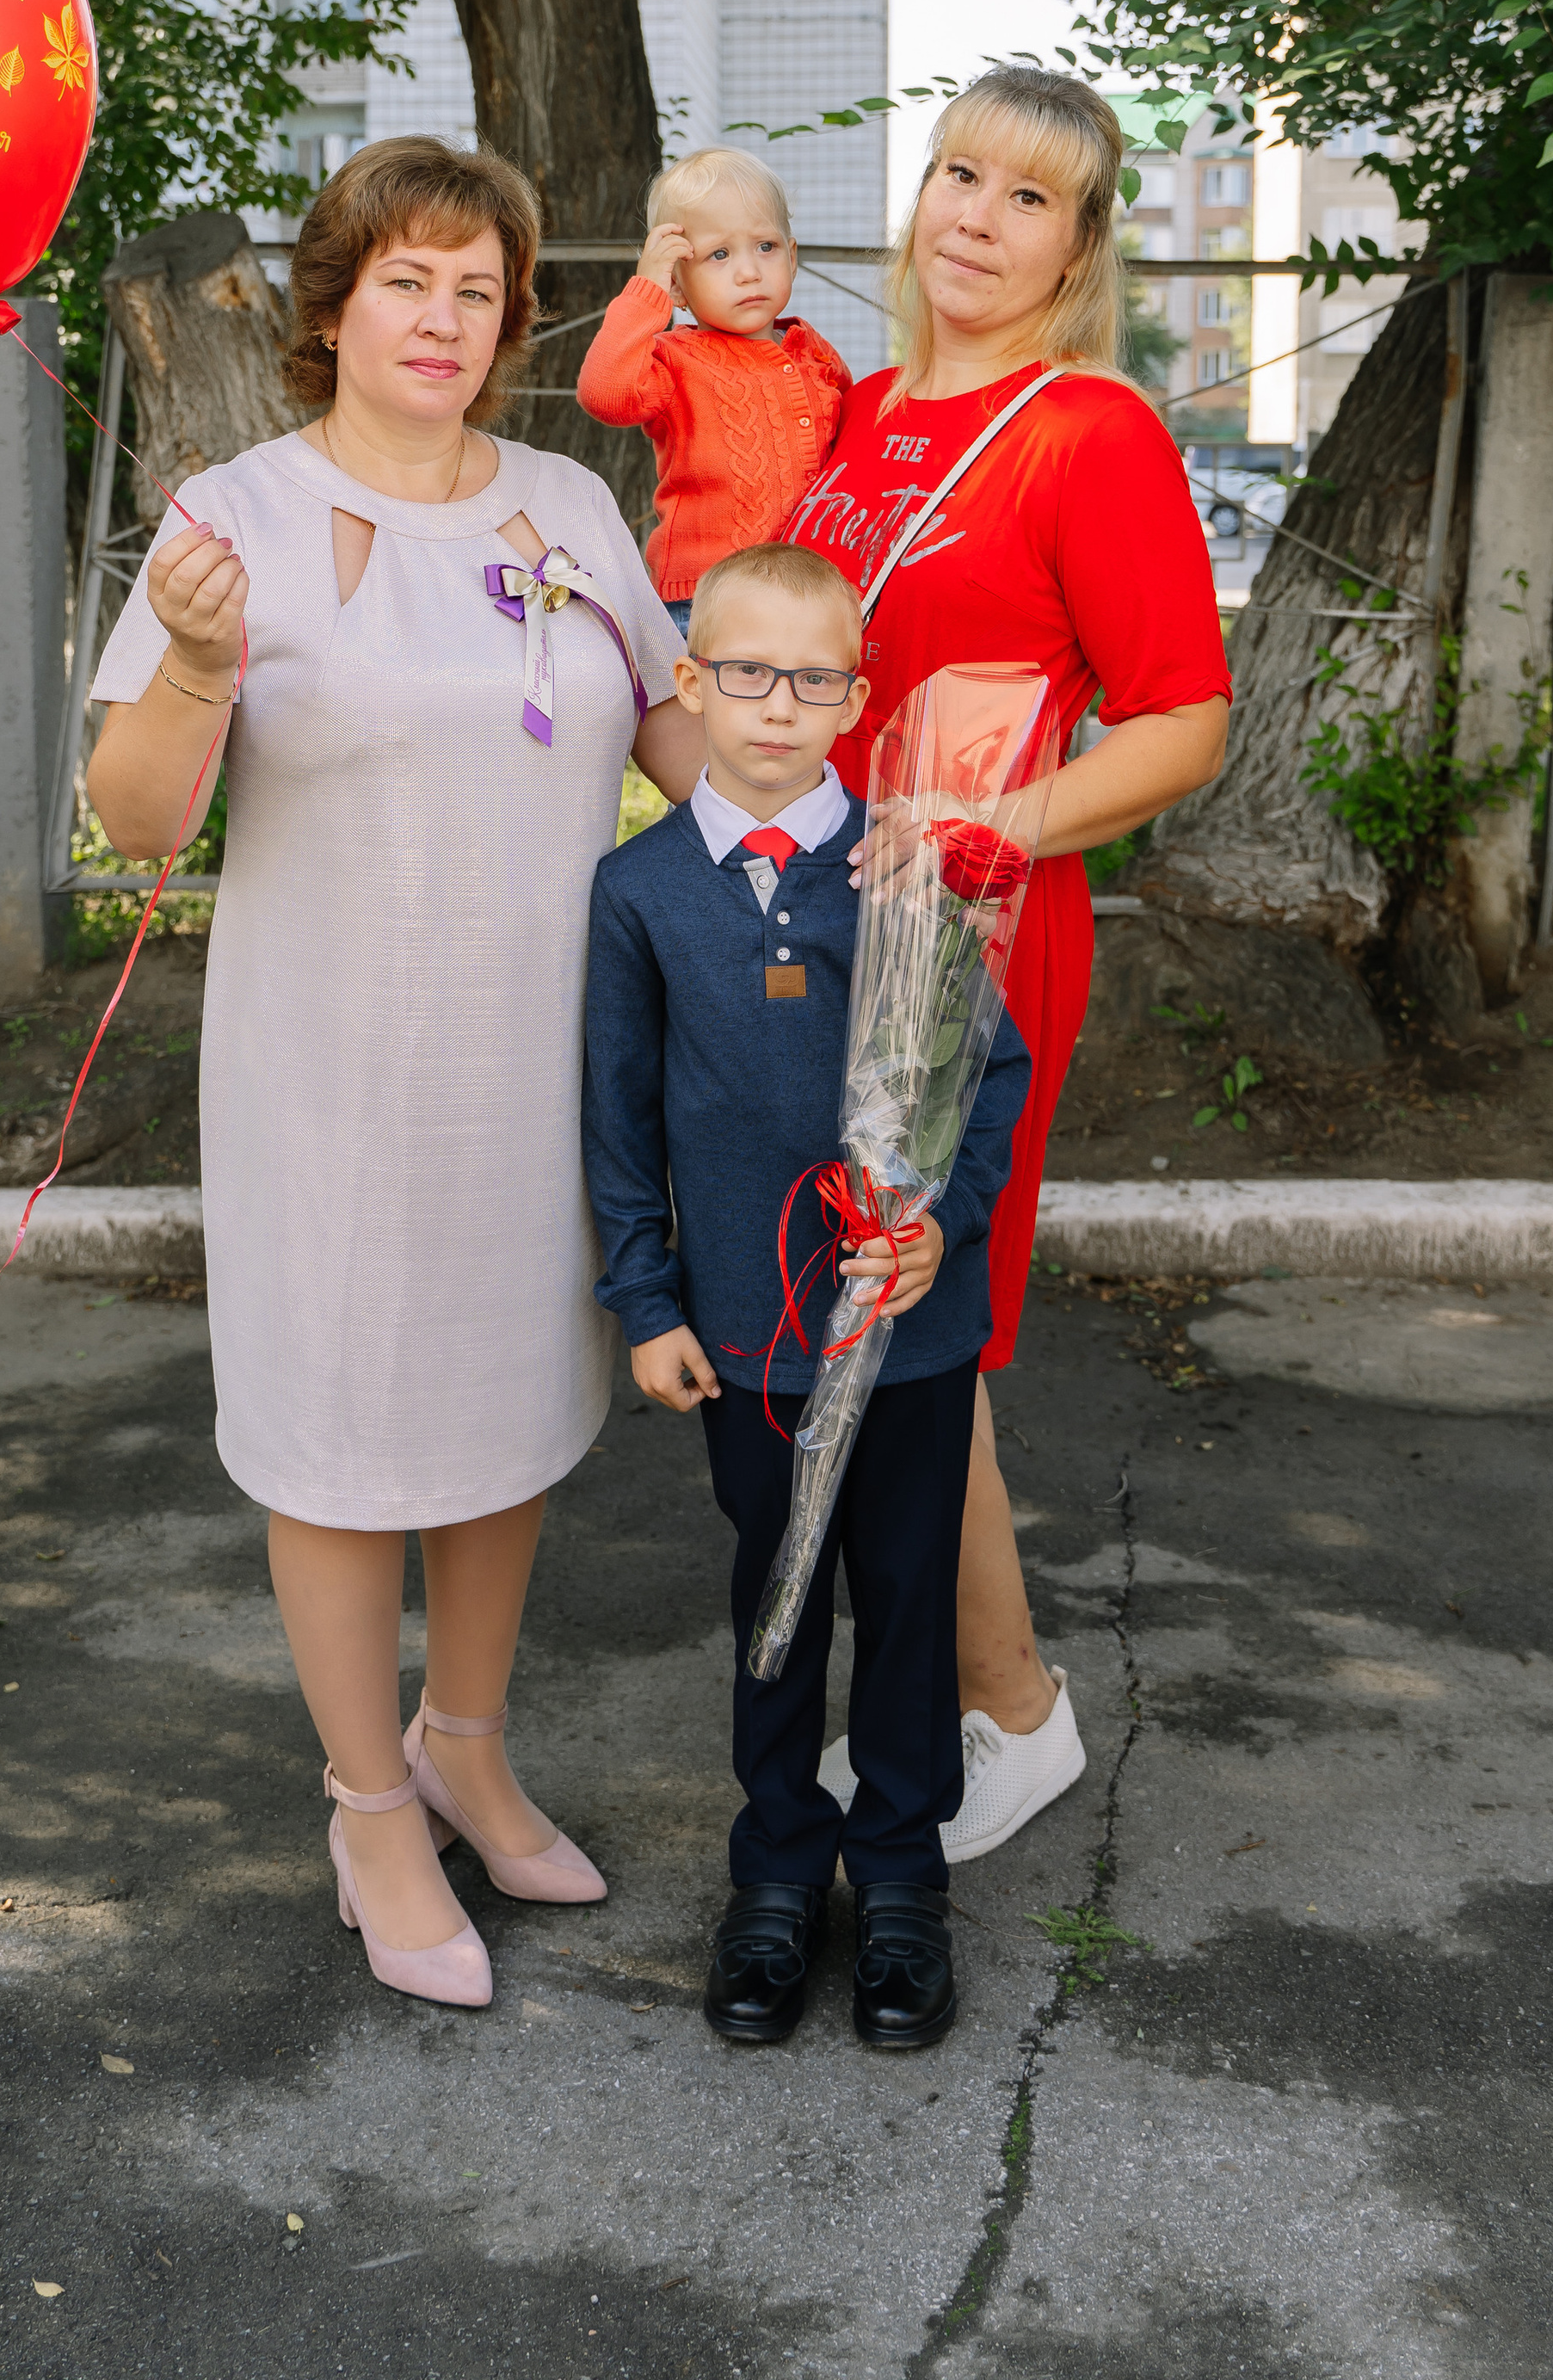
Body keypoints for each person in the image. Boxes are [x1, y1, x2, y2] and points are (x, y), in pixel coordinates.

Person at [84, 136, 704, 2012]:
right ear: (331, 304)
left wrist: (853, 839)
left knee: (505, 1415)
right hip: (329, 1079)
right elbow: (131, 826)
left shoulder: (574, 510)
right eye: (405, 281)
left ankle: (468, 1742)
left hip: (539, 1062)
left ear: (513, 319)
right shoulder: (231, 519)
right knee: (348, 1441)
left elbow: (682, 732)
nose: (444, 317)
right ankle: (367, 1804)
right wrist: (194, 669)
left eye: (480, 288)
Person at [786, 66, 1231, 1861]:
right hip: (815, 909)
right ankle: (945, 1694)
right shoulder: (857, 408)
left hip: (968, 930)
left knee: (913, 1320)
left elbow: (1184, 716)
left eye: (1027, 196)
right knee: (846, 1301)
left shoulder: (1088, 430)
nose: (973, 214)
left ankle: (1011, 1711)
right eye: (956, 173)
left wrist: (1011, 826)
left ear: (1079, 244)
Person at [582, 541, 1029, 2050]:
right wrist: (647, 1302)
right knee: (774, 1604)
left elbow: (992, 1077)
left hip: (907, 1333)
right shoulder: (638, 890)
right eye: (747, 673)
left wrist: (938, 1231)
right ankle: (775, 1869)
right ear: (692, 683)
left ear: (860, 694)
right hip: (751, 1339)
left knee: (905, 1605)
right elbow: (618, 1113)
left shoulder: (909, 865)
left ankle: (899, 1878)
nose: (780, 705)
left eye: (815, 677)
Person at [576, 147, 852, 635]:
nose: (749, 271)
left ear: (792, 254)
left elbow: (854, 455)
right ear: (678, 288)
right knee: (710, 711)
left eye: (765, 247)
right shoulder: (672, 360)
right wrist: (647, 292)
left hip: (814, 594)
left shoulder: (815, 354)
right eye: (719, 255)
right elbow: (605, 394)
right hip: (705, 599)